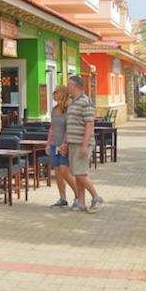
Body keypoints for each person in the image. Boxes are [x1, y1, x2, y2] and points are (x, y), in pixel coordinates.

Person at [60, 75, 104, 213]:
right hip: (73, 143)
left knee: (80, 173)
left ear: (75, 86)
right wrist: (65, 143)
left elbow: (90, 124)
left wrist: (85, 146)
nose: (67, 87)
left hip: (82, 143)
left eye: (68, 84)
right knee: (77, 173)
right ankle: (81, 203)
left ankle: (96, 197)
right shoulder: (73, 103)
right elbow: (70, 125)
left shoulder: (86, 102)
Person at [46, 87, 78, 208]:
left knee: (64, 171)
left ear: (62, 94)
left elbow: (69, 128)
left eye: (56, 92)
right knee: (58, 172)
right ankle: (62, 198)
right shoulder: (54, 110)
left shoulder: (69, 110)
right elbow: (52, 128)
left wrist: (65, 143)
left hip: (65, 145)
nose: (53, 94)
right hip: (54, 144)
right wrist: (48, 144)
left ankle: (78, 196)